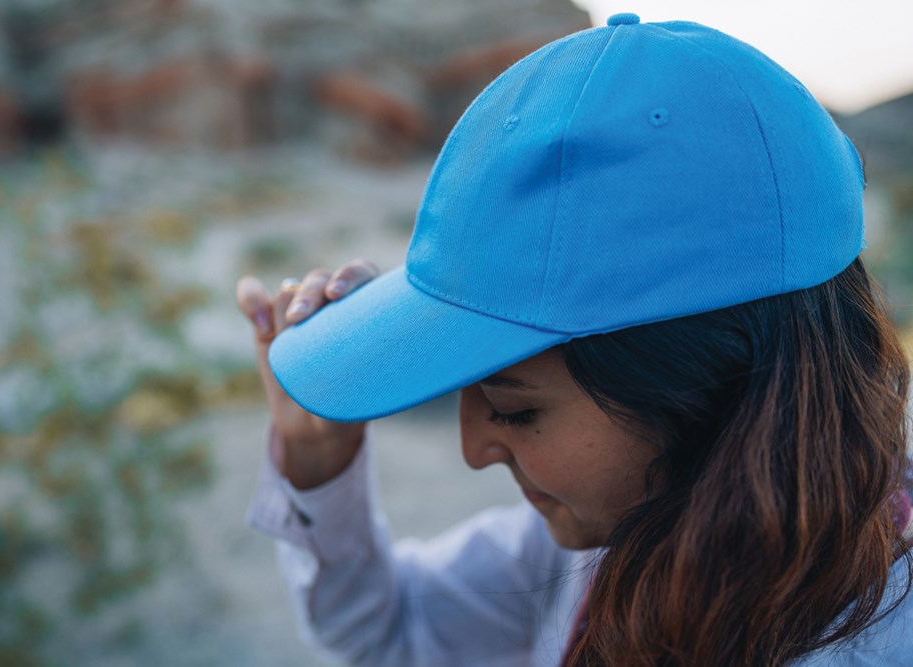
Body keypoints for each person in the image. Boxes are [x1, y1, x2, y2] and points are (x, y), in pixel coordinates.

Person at [236, 14, 913, 667]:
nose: (474, 451)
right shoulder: (608, 533)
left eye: (516, 409)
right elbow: (390, 627)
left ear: (711, 388)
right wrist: (314, 458)